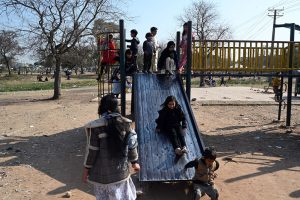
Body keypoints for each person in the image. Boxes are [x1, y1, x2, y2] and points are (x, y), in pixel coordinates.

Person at [82, 94, 140, 200]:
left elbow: (92, 151)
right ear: (116, 107)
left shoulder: (95, 127)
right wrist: (134, 162)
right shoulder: (125, 123)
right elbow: (132, 144)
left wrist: (86, 169)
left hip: (102, 175)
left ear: (101, 108)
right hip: (121, 172)